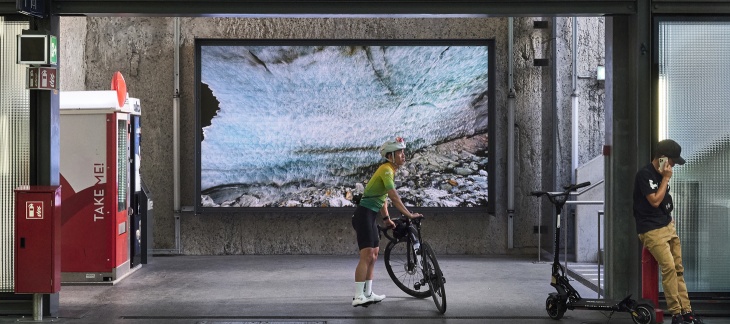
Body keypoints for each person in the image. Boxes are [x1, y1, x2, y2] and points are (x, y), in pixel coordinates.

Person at [633, 139, 703, 324]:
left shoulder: (663, 173)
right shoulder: (644, 175)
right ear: (663, 158)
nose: (673, 165)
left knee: (678, 269)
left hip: (667, 226)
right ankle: (675, 314)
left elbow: (663, 203)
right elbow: (654, 200)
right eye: (672, 161)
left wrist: (668, 216)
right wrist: (665, 178)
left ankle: (687, 312)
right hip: (650, 229)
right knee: (669, 268)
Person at [351, 136, 423, 307]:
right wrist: (409, 214)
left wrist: (386, 218)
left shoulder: (390, 170)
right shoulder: (386, 169)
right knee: (366, 255)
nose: (403, 155)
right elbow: (393, 196)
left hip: (371, 215)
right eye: (400, 152)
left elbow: (383, 198)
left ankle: (368, 293)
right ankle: (358, 296)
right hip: (363, 216)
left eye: (404, 152)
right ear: (390, 156)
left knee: (374, 255)